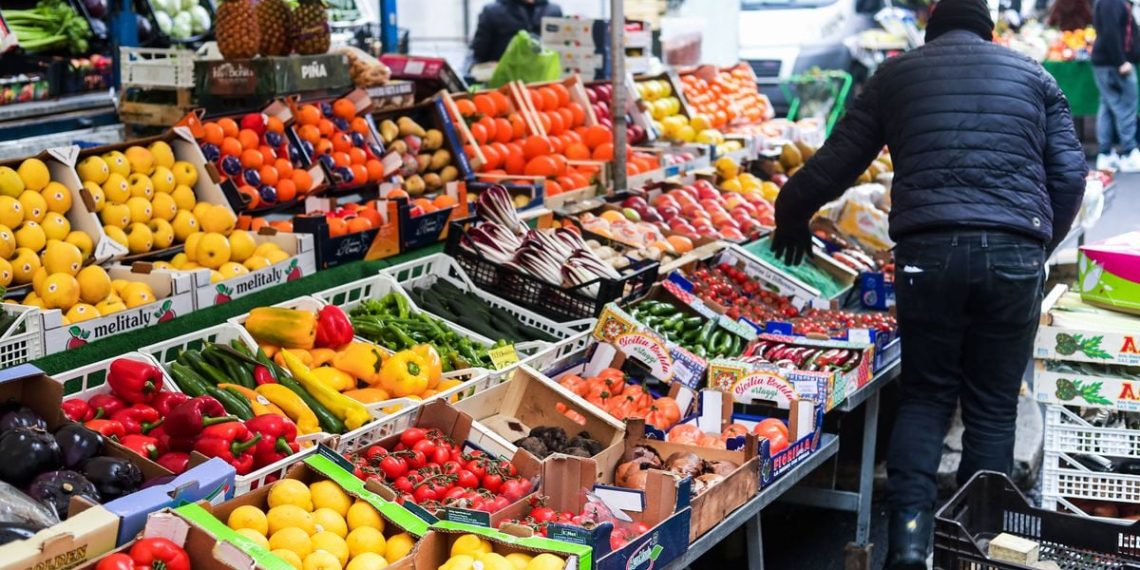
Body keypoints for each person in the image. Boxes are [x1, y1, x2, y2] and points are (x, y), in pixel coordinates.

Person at [768, 0, 1087, 567]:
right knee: (992, 408)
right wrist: (1041, 244)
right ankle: (973, 547)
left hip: (927, 254)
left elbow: (837, 162)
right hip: (1014, 254)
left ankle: (911, 545)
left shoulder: (897, 74)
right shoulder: (1034, 75)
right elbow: (1069, 174)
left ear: (930, 24)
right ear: (988, 25)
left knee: (926, 396)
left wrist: (791, 212)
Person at [1091, 0, 1140, 170]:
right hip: (1115, 63)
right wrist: (1120, 61)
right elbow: (1110, 32)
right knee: (1126, 106)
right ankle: (1129, 152)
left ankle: (1105, 153)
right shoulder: (1111, 2)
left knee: (1107, 105)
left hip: (1107, 62)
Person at [471, 0, 563, 65]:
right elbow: (477, 53)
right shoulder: (492, 11)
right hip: (504, 83)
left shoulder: (554, 11)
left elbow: (561, 51)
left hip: (544, 82)